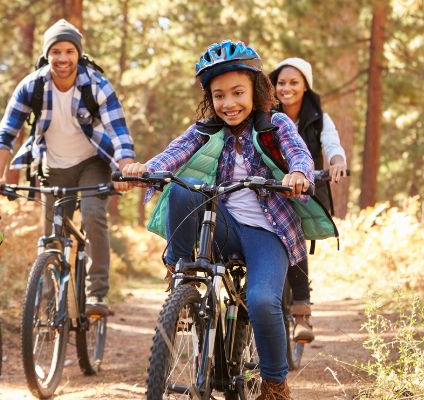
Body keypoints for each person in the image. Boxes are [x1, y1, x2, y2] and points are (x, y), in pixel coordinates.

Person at [122, 40, 313, 398]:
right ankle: (183, 276)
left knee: (260, 301)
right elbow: (173, 155)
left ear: (256, 90)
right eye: (220, 95)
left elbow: (298, 154)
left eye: (238, 92)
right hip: (222, 227)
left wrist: (299, 174)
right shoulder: (207, 129)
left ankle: (274, 383)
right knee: (183, 186)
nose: (229, 104)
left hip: (266, 232)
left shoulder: (276, 124)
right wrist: (144, 171)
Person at [0, 19, 135, 316]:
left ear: (78, 53)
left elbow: (119, 133)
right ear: (47, 54)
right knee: (52, 239)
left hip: (92, 162)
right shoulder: (32, 86)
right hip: (52, 165)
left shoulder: (97, 85)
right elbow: (5, 134)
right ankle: (51, 307)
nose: (63, 58)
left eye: (69, 51)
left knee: (93, 215)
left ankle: (97, 294)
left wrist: (125, 168)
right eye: (56, 51)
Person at [269, 57, 348, 343]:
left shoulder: (319, 118)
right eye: (281, 82)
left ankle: (301, 312)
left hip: (305, 190)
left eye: (294, 82)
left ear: (305, 87)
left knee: (294, 231)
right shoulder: (264, 113)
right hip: (268, 187)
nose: (286, 88)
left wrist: (337, 163)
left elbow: (333, 146)